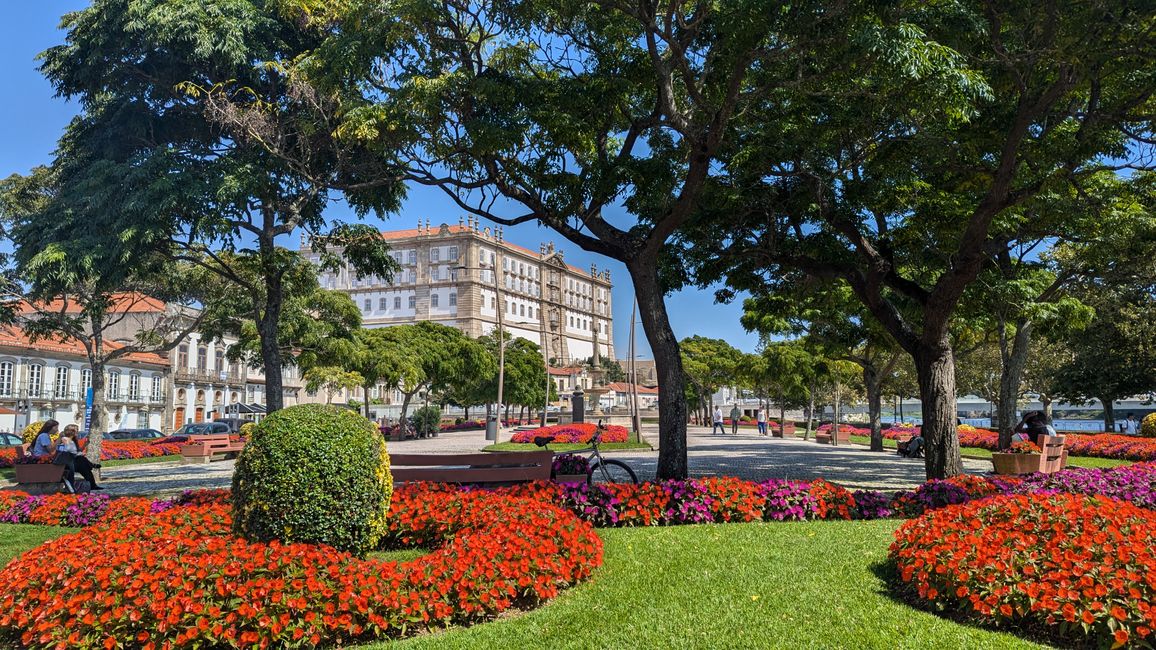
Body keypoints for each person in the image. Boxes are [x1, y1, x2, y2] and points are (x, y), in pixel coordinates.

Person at [55, 426, 103, 490]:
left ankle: (92, 484)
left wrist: (84, 445)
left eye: (77, 430)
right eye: (75, 431)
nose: (77, 432)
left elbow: (77, 451)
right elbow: (62, 450)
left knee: (84, 466)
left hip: (73, 460)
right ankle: (91, 466)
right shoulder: (64, 438)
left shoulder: (73, 440)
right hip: (66, 462)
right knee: (82, 462)